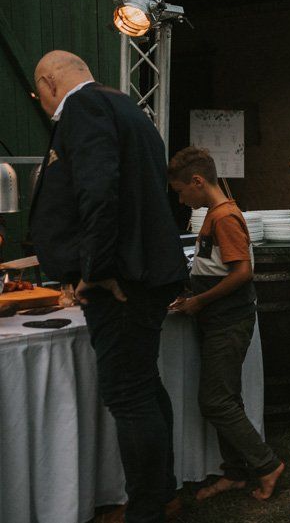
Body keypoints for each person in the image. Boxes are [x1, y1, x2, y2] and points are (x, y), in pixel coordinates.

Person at [29, 51, 188, 523]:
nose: (41, 104)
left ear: (49, 82)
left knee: (129, 394)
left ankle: (146, 510)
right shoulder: (124, 108)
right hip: (142, 273)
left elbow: (99, 191)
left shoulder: (83, 108)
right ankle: (161, 494)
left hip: (121, 280)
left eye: (38, 94)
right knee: (143, 385)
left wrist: (94, 269)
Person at [166, 147, 284, 501]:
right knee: (226, 397)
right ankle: (234, 473)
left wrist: (199, 301)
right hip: (215, 320)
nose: (182, 199)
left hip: (228, 322)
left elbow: (242, 272)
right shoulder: (214, 215)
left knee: (215, 401)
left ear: (198, 181)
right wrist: (191, 291)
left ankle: (267, 465)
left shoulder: (225, 217)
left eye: (182, 191)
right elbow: (212, 265)